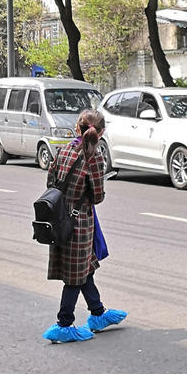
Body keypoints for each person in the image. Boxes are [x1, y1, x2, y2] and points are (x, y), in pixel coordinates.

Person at [43, 109, 127, 344]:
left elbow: (50, 181)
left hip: (59, 218)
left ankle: (98, 313)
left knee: (83, 268)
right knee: (75, 275)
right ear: (101, 133)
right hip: (79, 222)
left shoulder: (65, 149)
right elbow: (98, 196)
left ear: (77, 128)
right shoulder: (95, 157)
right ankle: (63, 324)